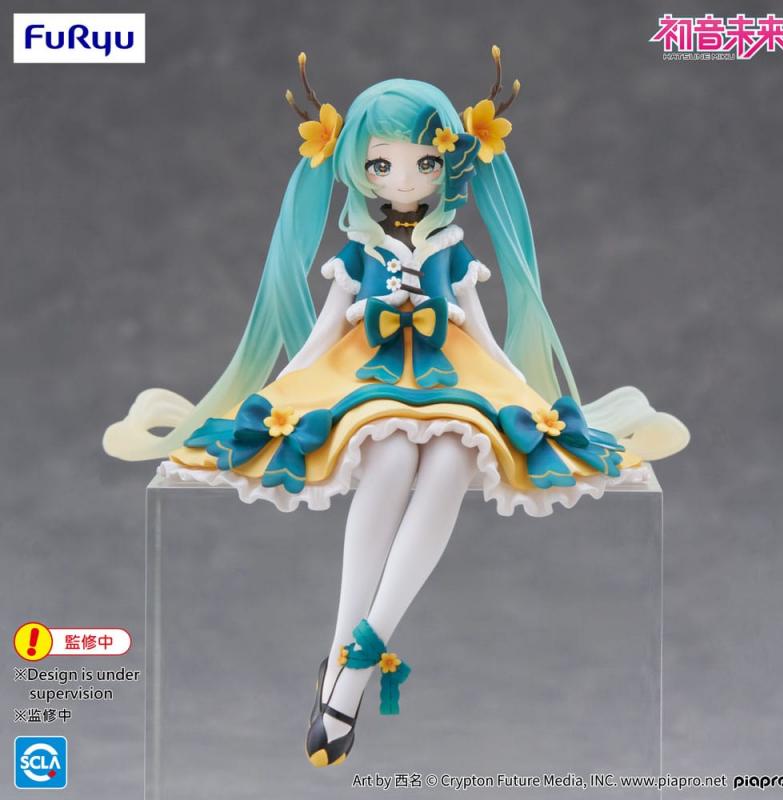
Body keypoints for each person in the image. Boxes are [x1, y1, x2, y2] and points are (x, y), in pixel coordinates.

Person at [103, 49, 689, 767]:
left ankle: (349, 667)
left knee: (450, 462)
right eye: (382, 165)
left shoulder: (452, 250)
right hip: (368, 375)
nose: (405, 180)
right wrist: (277, 388)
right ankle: (347, 663)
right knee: (385, 464)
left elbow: (483, 332)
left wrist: (529, 397)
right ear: (358, 169)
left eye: (424, 163)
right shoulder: (357, 253)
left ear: (450, 166)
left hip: (454, 376)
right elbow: (323, 333)